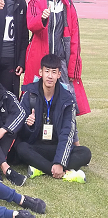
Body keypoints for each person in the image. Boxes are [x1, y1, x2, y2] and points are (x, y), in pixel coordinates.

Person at [24, 0, 90, 117]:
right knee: (36, 93)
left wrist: (73, 64)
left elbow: (74, 34)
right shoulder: (35, 1)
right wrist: (42, 18)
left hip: (60, 58)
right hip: (40, 57)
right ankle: (36, 124)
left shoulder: (66, 3)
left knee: (66, 93)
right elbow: (31, 25)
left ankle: (69, 127)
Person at [17, 54, 92, 182]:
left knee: (85, 153)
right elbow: (20, 131)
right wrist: (27, 125)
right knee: (21, 148)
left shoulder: (67, 99)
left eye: (53, 72)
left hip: (56, 147)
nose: (50, 76)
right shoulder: (29, 95)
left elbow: (67, 132)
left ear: (59, 74)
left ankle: (40, 168)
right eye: (47, 71)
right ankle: (60, 172)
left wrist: (59, 162)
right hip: (36, 146)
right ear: (41, 72)